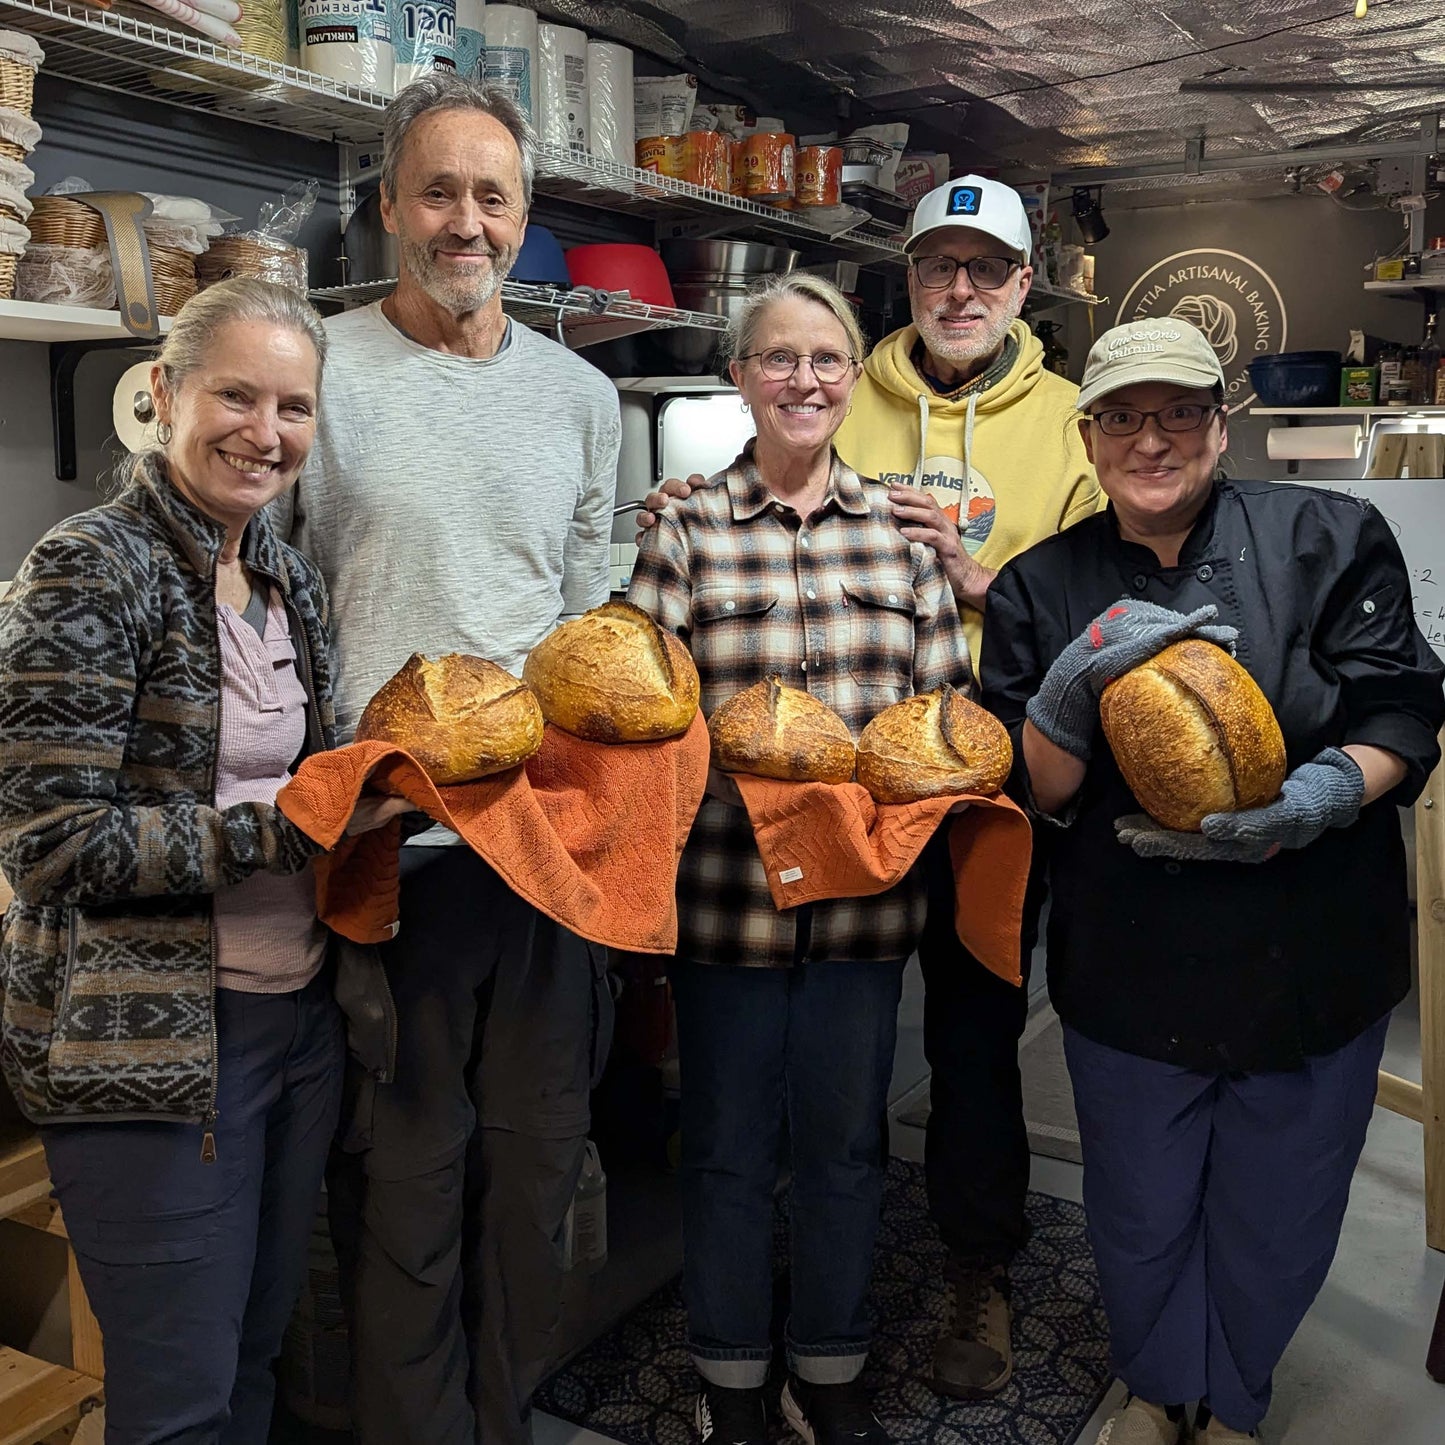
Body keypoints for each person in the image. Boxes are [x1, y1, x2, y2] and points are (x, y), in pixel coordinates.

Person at [640, 174, 1101, 1398]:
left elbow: (1068, 632)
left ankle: (947, 1288)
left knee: (948, 1059)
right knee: (755, 1121)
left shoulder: (1066, 426)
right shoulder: (758, 463)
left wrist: (975, 571)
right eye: (935, 266)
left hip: (944, 814)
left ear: (1020, 283)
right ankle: (745, 1357)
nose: (959, 288)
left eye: (985, 269)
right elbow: (652, 674)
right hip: (749, 866)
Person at [982, 317, 1445, 1444]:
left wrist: (1328, 789)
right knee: (1137, 1209)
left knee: (1276, 1211)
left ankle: (1233, 1399)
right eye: (1123, 417)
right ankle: (1154, 1387)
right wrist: (1060, 703)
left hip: (1311, 952)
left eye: (1178, 411)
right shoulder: (1038, 584)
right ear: (1086, 436)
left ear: (1218, 423)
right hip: (1128, 958)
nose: (1153, 440)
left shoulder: (1327, 535)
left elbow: (1403, 702)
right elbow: (1031, 792)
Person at [273, 74, 621, 1445]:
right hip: (386, 856)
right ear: (387, 210)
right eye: (437, 190)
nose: (463, 220)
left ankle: (503, 1415)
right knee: (405, 1185)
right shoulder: (320, 370)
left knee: (535, 1179)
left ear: (524, 217)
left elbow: (586, 626)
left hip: (542, 858)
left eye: (491, 194)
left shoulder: (583, 399)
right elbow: (269, 586)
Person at [0, 278, 404, 1442]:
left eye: (293, 407)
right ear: (164, 394)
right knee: (180, 1399)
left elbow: (310, 778)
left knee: (259, 1356)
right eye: (236, 394)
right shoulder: (91, 566)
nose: (263, 432)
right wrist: (298, 824)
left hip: (294, 1023)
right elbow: (51, 841)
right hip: (154, 1048)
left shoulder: (286, 576)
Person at [627, 273, 975, 1445]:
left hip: (862, 911)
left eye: (825, 358)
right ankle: (729, 1375)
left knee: (845, 1143)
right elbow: (642, 708)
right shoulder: (683, 529)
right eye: (777, 358)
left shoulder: (897, 533)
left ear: (850, 375)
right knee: (724, 1146)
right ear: (738, 378)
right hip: (726, 902)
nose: (804, 380)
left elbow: (943, 717)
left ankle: (826, 1364)